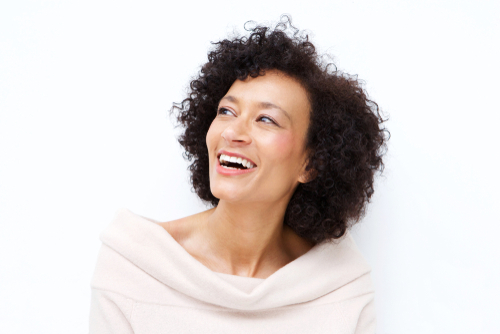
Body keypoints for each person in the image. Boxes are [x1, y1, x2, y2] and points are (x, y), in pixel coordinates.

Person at [89, 16, 388, 334]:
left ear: (310, 164)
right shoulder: (134, 264)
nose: (233, 131)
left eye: (266, 119)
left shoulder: (341, 286)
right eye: (226, 111)